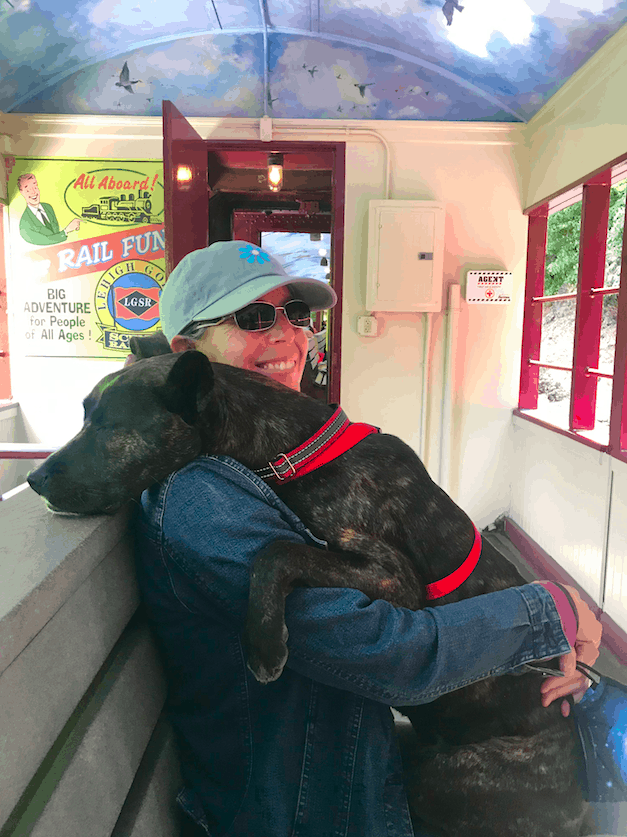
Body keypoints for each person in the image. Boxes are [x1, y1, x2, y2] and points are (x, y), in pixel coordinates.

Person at [134, 240, 602, 837]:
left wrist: (537, 645)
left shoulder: (255, 468)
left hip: (350, 764)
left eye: (294, 315)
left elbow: (396, 591)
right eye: (252, 318)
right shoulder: (205, 496)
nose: (284, 336)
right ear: (185, 353)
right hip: (316, 809)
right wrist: (550, 610)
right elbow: (391, 656)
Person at [17, 173, 81, 246]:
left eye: (35, 187)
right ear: (22, 192)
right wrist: (66, 231)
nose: (34, 192)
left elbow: (54, 232)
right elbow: (44, 240)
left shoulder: (48, 207)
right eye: (28, 190)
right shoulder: (24, 224)